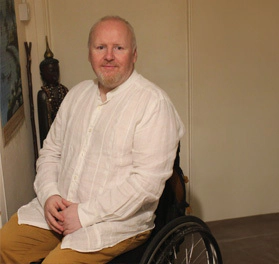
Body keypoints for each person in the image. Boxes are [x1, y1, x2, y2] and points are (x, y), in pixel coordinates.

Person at [0, 16, 185, 264]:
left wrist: (84, 215)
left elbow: (146, 185)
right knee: (5, 245)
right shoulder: (76, 96)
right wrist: (49, 195)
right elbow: (50, 153)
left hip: (115, 224)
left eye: (118, 48)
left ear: (134, 55)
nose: (109, 56)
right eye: (100, 47)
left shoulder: (153, 104)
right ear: (90, 54)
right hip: (57, 211)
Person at [38, 37, 68, 147]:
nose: (55, 74)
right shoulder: (43, 94)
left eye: (56, 70)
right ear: (43, 74)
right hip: (50, 137)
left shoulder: (64, 90)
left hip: (65, 135)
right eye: (51, 71)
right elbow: (44, 124)